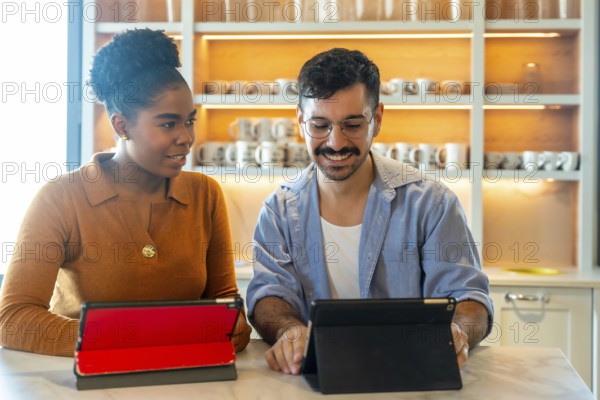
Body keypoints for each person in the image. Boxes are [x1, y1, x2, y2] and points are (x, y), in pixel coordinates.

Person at [0, 29, 251, 356]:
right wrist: (143, 338)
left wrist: (235, 327)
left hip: (186, 380)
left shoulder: (205, 194)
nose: (186, 137)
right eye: (167, 124)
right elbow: (14, 319)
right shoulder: (61, 198)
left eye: (189, 121)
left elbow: (227, 307)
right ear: (122, 126)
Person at [246, 48, 493, 375]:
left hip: (411, 377)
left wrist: (458, 331)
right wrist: (288, 330)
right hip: (311, 380)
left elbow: (469, 298)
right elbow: (268, 296)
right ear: (300, 121)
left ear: (377, 118)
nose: (335, 142)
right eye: (319, 125)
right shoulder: (278, 210)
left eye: (352, 124)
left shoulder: (430, 202)